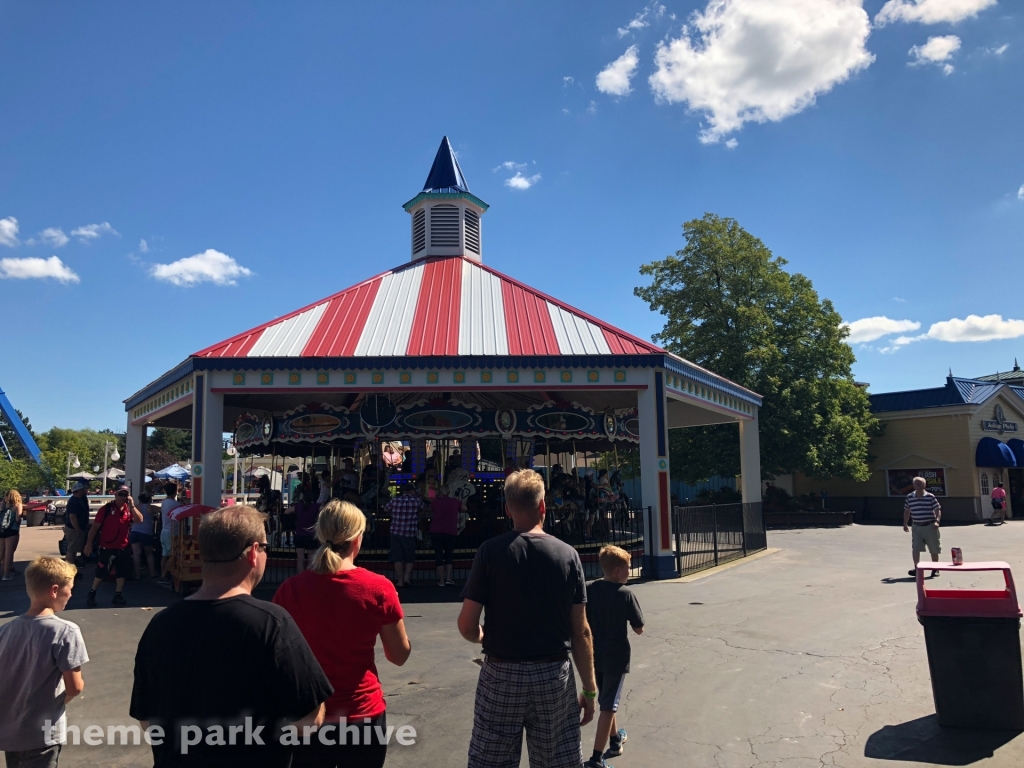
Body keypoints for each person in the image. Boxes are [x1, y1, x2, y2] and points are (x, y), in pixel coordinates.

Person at [130, 505, 333, 767]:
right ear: (252, 553)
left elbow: (147, 721)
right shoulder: (272, 623)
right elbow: (309, 720)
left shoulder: (161, 623)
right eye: (265, 548)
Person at [458, 469, 597, 768]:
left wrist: (481, 636)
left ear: (507, 509)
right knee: (557, 759)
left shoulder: (489, 552)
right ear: (543, 506)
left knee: (490, 759)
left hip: (501, 673)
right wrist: (589, 688)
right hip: (553, 675)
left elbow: (467, 625)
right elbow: (581, 631)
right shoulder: (568, 555)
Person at [273, 500, 411, 768]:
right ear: (357, 540)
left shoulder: (290, 589)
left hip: (308, 715)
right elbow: (398, 656)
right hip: (361, 713)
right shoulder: (378, 588)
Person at [0, 556, 88, 768]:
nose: (71, 594)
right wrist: (64, 699)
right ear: (55, 590)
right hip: (43, 734)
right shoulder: (66, 631)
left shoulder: (6, 630)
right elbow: (75, 687)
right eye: (70, 589)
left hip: (10, 733)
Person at [584, 546, 644, 767]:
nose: (630, 572)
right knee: (609, 705)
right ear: (618, 571)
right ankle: (596, 759)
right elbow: (639, 627)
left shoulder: (590, 589)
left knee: (606, 698)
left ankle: (615, 739)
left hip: (594, 654)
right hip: (616, 657)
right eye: (628, 568)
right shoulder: (626, 595)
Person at [83, 488, 143, 607]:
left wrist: (132, 506)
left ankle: (118, 594)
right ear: (115, 495)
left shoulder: (128, 509)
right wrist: (88, 543)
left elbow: (139, 520)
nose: (123, 497)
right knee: (101, 572)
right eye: (120, 494)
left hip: (123, 546)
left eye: (125, 494)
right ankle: (92, 592)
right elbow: (94, 527)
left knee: (122, 572)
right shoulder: (106, 509)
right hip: (107, 546)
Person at [385, 484, 422, 589]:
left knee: (397, 557)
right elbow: (423, 507)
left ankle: (400, 580)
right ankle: (406, 577)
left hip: (396, 532)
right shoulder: (416, 501)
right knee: (409, 556)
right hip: (410, 532)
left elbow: (386, 509)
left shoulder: (395, 500)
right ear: (412, 491)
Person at [904, 476, 941, 578]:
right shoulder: (910, 497)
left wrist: (937, 521)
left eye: (921, 484)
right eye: (917, 484)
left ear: (925, 485)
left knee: (934, 548)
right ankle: (917, 569)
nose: (920, 486)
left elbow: (937, 509)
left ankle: (935, 569)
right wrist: (905, 523)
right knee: (916, 548)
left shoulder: (930, 496)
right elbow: (907, 510)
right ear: (914, 485)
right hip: (917, 526)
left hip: (930, 525)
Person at [430, 484, 464, 587]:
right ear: (449, 492)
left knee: (439, 555)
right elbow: (465, 508)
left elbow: (431, 510)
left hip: (436, 530)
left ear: (440, 492)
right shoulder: (454, 501)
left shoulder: (435, 502)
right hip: (450, 530)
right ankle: (449, 578)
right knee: (449, 554)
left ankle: (441, 580)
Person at [130, 492, 159, 579]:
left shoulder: (136, 507)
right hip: (146, 532)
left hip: (134, 531)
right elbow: (163, 510)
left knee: (136, 554)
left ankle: (137, 574)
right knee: (149, 553)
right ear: (149, 499)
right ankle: (152, 573)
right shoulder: (151, 507)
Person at [158, 481, 182, 585]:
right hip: (172, 532)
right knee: (172, 555)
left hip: (164, 531)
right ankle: (164, 575)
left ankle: (162, 574)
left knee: (165, 555)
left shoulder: (164, 502)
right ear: (175, 491)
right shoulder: (176, 504)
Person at [63, 482, 91, 568]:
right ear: (79, 491)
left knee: (74, 549)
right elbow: (72, 517)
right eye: (83, 489)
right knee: (71, 549)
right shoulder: (75, 501)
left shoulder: (77, 500)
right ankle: (69, 567)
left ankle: (72, 566)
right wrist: (77, 529)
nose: (85, 491)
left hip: (75, 528)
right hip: (73, 529)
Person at [1, 489, 24, 580]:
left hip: (2, 530)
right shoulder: (17, 505)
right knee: (9, 553)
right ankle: (6, 574)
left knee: (1, 552)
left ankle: (5, 571)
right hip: (12, 530)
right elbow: (18, 519)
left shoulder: (2, 505)